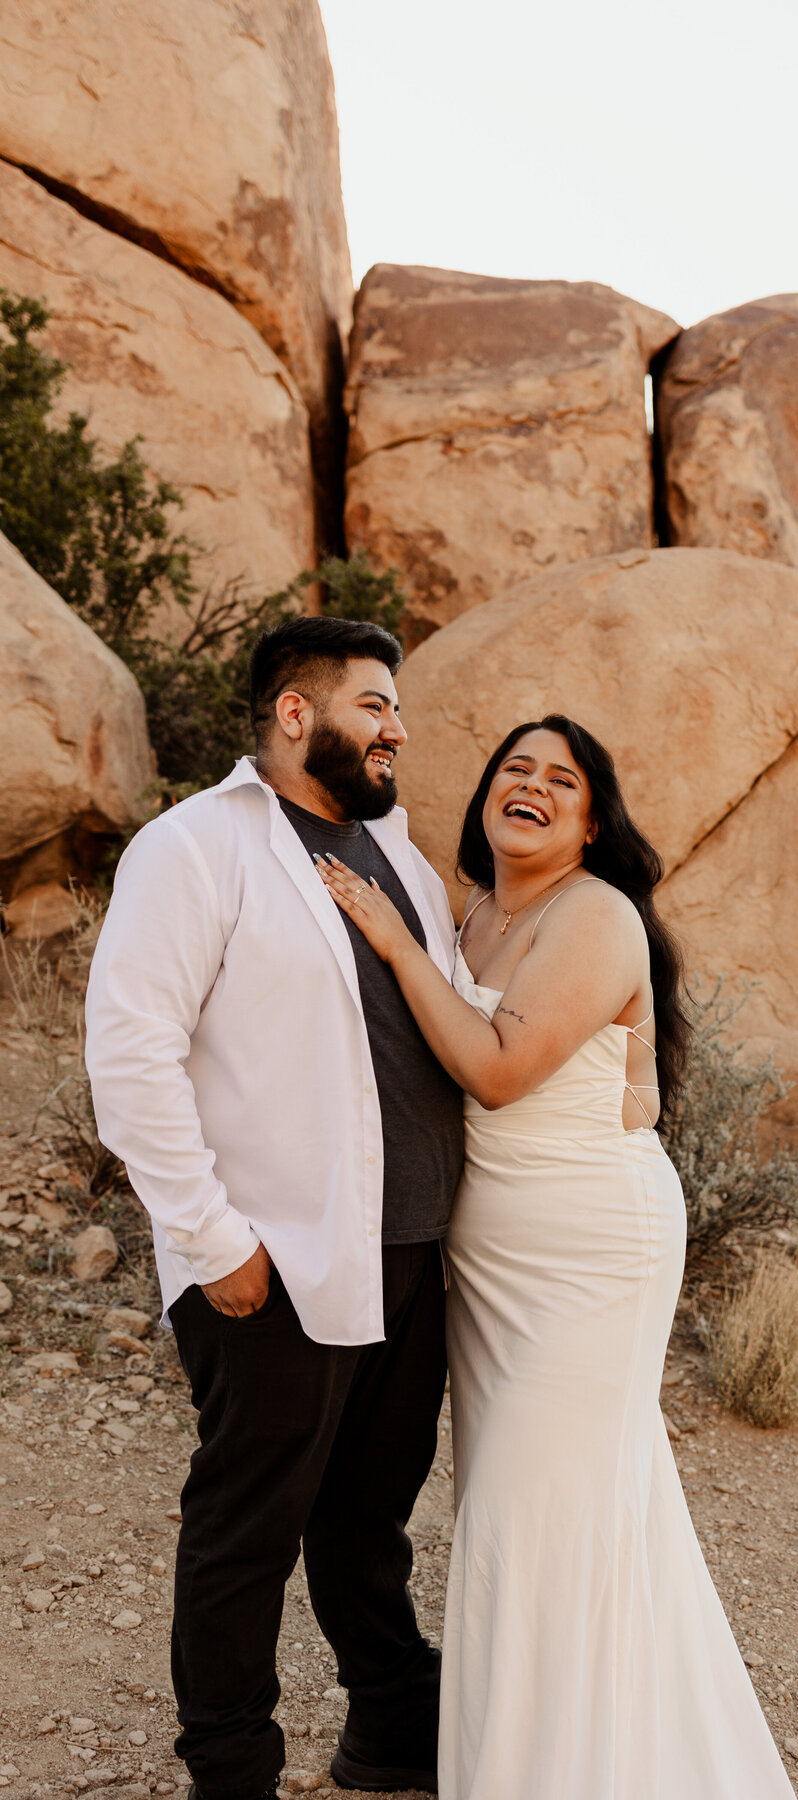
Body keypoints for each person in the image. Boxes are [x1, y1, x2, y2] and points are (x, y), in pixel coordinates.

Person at [316, 713, 795, 1799]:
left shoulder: (596, 916)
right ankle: (580, 1755)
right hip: (492, 1262)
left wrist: (393, 939)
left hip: (587, 1249)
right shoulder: (476, 911)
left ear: (589, 824)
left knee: (530, 1511)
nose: (531, 786)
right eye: (515, 769)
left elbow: (496, 1065)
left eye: (562, 780)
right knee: (541, 1505)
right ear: (487, 797)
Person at [85, 616, 464, 1800]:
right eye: (372, 704)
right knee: (248, 1524)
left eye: (397, 707)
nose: (395, 726)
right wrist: (211, 1240)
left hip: (408, 1251)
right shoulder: (196, 846)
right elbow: (131, 1053)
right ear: (295, 714)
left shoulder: (399, 858)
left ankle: (395, 1723)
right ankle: (233, 1766)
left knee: (369, 1519)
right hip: (277, 1256)